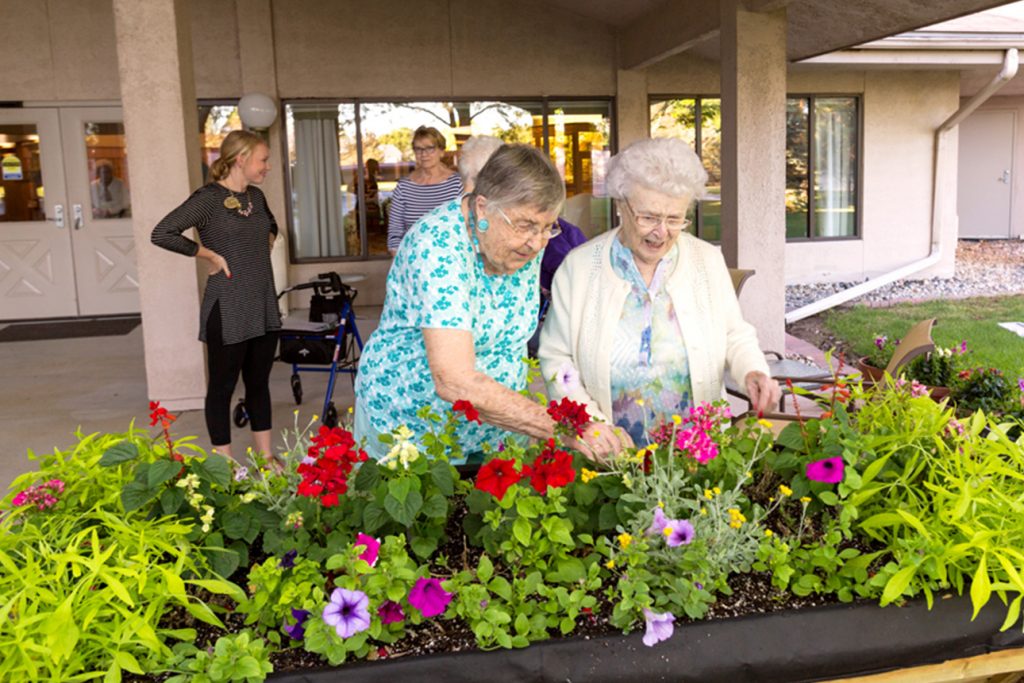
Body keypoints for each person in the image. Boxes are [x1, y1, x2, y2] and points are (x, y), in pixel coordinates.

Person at [355, 144, 624, 462]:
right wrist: (566, 428)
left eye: (546, 227)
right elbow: (455, 381)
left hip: (495, 432)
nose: (536, 243)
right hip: (415, 433)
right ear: (482, 208)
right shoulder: (436, 247)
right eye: (525, 226)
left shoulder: (522, 242)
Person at [538, 138, 780, 446]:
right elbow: (557, 358)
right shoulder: (580, 268)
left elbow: (734, 334)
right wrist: (589, 424)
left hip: (697, 454)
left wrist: (752, 372)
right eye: (649, 217)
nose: (661, 232)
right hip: (609, 456)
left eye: (675, 219)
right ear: (620, 206)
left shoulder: (706, 260)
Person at [151, 130, 281, 466]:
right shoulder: (208, 199)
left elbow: (272, 226)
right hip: (228, 306)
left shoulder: (256, 198)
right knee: (222, 388)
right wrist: (208, 254)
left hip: (263, 303)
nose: (267, 166)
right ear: (241, 159)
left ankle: (267, 458)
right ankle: (224, 466)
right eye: (262, 159)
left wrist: (262, 245)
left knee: (259, 384)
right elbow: (162, 232)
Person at [456, 136, 587, 357]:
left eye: (546, 227)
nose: (537, 243)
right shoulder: (440, 245)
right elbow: (453, 375)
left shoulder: (534, 238)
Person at [386, 126, 463, 256]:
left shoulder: (457, 184)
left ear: (441, 151)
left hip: (450, 259)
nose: (424, 154)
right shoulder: (403, 187)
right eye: (418, 149)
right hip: (411, 260)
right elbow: (395, 232)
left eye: (430, 148)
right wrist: (401, 261)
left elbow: (466, 227)